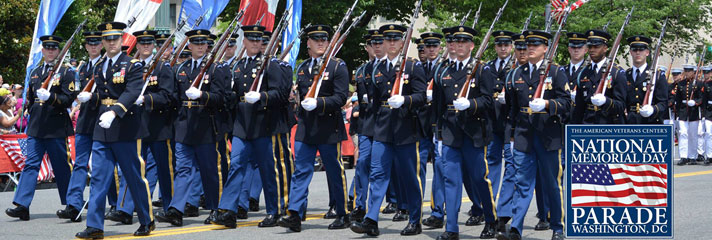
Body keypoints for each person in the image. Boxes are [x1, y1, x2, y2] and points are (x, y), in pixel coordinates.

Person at [75, 21, 154, 238]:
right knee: (100, 178)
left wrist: (115, 111)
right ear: (103, 42)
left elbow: (132, 92)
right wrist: (92, 97)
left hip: (126, 127)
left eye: (115, 39)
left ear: (122, 40)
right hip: (103, 129)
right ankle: (95, 226)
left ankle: (147, 220)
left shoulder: (133, 65)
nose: (111, 43)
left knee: (134, 177)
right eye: (107, 39)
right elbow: (103, 92)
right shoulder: (99, 66)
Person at [349, 23, 426, 237]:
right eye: (387, 39)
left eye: (395, 39)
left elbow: (422, 97)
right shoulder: (377, 68)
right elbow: (373, 104)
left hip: (405, 128)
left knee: (409, 177)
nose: (391, 43)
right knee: (378, 174)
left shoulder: (412, 66)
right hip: (382, 129)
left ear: (403, 42)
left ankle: (414, 220)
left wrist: (405, 100)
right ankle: (371, 220)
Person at [213, 25, 293, 229]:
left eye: (259, 39)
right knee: (236, 165)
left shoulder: (270, 65)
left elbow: (280, 94)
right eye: (252, 39)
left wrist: (261, 96)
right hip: (242, 124)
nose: (256, 43)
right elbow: (235, 93)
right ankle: (228, 210)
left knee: (268, 169)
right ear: (245, 42)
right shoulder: (239, 65)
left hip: (264, 124)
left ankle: (275, 211)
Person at [278, 24, 350, 232]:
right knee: (301, 170)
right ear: (308, 43)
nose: (321, 43)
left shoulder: (337, 66)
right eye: (316, 39)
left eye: (324, 40)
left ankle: (342, 212)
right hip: (306, 127)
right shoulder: (302, 68)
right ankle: (295, 213)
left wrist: (319, 103)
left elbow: (341, 97)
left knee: (335, 171)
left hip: (328, 127)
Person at [498, 30, 570, 240]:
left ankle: (557, 227)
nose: (530, 48)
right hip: (523, 136)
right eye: (528, 45)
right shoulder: (515, 74)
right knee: (522, 183)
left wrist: (548, 104)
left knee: (552, 185)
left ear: (545, 49)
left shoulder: (556, 72)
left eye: (536, 45)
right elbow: (511, 111)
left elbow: (566, 103)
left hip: (548, 137)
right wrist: (509, 138)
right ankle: (516, 228)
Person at [429, 25, 497, 240]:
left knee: (479, 179)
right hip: (450, 132)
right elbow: (438, 105)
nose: (458, 46)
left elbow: (489, 101)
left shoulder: (482, 70)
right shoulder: (443, 70)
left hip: (474, 133)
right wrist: (438, 132)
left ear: (471, 45)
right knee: (451, 180)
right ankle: (451, 229)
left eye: (463, 42)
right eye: (455, 42)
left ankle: (491, 220)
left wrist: (471, 103)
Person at [154, 28, 226, 227]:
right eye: (196, 43)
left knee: (209, 170)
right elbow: (175, 98)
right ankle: (177, 209)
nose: (201, 46)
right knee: (183, 169)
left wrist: (203, 95)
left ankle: (216, 208)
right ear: (190, 46)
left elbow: (222, 98)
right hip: (184, 125)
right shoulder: (180, 68)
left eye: (204, 43)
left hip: (206, 124)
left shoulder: (215, 69)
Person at [5, 34, 76, 222]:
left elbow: (68, 99)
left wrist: (51, 98)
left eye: (54, 48)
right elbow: (30, 97)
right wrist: (27, 109)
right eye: (47, 48)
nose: (51, 51)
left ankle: (72, 205)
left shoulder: (67, 72)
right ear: (43, 50)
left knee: (61, 167)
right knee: (30, 165)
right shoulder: (36, 71)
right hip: (36, 127)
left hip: (56, 127)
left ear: (58, 51)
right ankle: (22, 205)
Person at [59, 30, 106, 222]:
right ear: (86, 47)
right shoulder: (83, 68)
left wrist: (94, 97)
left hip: (103, 119)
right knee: (79, 164)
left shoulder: (108, 65)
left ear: (101, 46)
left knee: (102, 166)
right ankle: (74, 204)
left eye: (96, 44)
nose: (93, 47)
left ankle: (112, 203)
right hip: (85, 120)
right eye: (90, 44)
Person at [571, 29, 627, 124]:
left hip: (608, 123)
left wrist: (606, 101)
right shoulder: (584, 72)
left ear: (605, 48)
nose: (592, 50)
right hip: (587, 124)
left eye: (596, 46)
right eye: (590, 46)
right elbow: (579, 107)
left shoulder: (616, 72)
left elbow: (621, 105)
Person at [624, 35, 668, 124]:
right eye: (635, 50)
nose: (638, 52)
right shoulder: (626, 75)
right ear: (630, 52)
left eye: (641, 50)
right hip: (630, 121)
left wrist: (653, 109)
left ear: (647, 52)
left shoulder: (657, 75)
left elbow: (663, 103)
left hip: (650, 121)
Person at [676, 64, 703, 165]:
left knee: (692, 135)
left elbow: (701, 98)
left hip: (693, 112)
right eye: (685, 71)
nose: (687, 73)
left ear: (693, 72)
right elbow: (677, 100)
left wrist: (695, 102)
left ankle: (692, 156)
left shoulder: (698, 84)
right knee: (683, 134)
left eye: (689, 71)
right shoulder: (681, 84)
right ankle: (683, 156)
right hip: (683, 112)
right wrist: (678, 112)